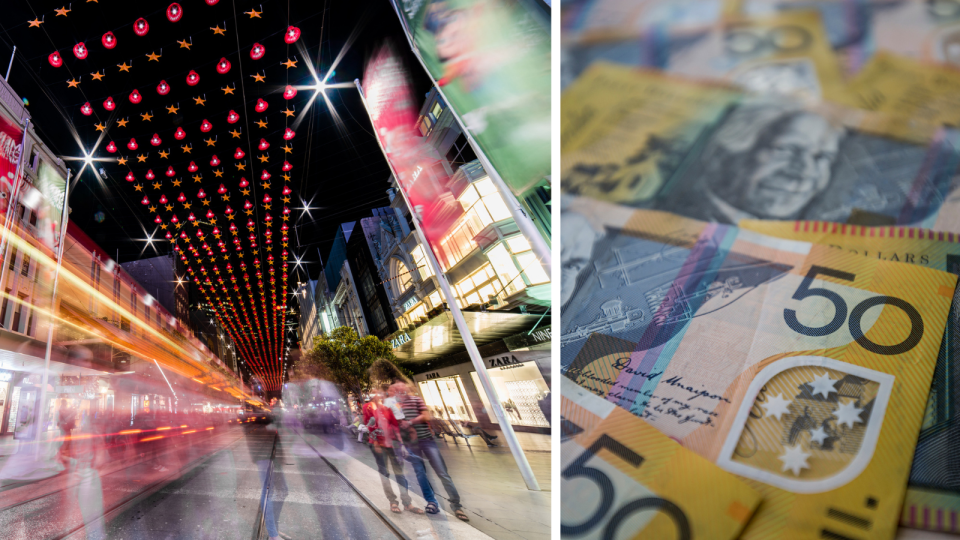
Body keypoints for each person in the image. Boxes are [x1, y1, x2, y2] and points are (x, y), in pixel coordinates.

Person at [659, 102, 845, 223]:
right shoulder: (664, 216)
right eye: (786, 149)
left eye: (823, 157)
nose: (805, 172)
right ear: (722, 154)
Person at [395, 380, 470, 522]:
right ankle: (431, 502)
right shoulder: (397, 406)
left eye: (401, 387)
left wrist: (410, 422)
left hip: (427, 441)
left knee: (442, 473)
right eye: (396, 389)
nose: (399, 391)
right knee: (420, 474)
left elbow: (426, 416)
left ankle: (456, 506)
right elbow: (397, 425)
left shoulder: (416, 400)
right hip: (412, 444)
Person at [362, 386, 422, 515]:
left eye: (381, 393)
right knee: (384, 473)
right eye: (376, 392)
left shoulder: (388, 409)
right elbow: (369, 424)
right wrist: (376, 442)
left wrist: (402, 444)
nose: (379, 395)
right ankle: (393, 501)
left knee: (399, 473)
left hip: (393, 444)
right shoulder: (367, 407)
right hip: (378, 444)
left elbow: (395, 426)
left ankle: (407, 503)